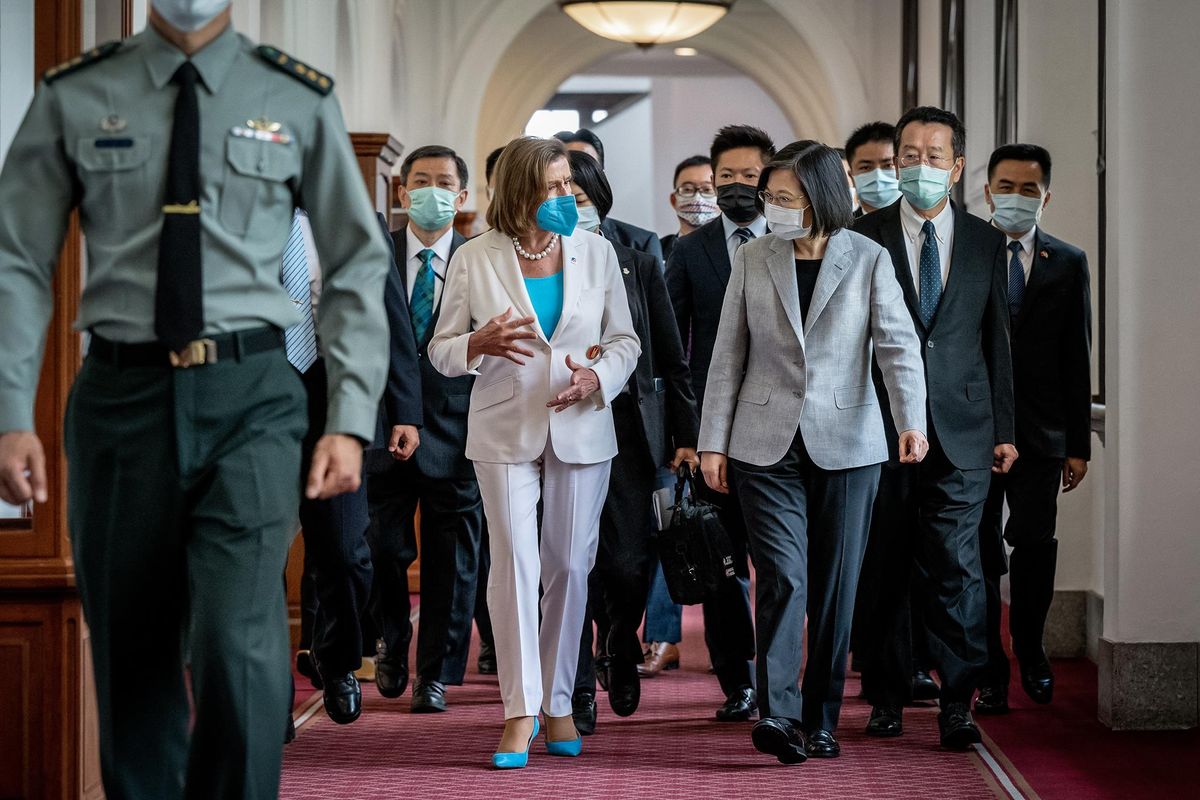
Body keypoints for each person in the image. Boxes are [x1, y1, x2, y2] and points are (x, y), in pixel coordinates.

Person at [0, 4, 391, 797]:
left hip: (252, 393)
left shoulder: (294, 96)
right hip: (121, 398)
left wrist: (350, 417)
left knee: (236, 641)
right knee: (133, 647)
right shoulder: (77, 91)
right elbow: (16, 257)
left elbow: (353, 265)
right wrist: (10, 414)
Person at [699, 144, 928, 763]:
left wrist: (912, 420)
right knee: (783, 576)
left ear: (820, 198)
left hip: (850, 443)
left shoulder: (868, 258)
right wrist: (711, 443)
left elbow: (898, 346)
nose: (771, 208)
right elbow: (727, 355)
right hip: (763, 443)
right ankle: (779, 714)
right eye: (770, 198)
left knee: (834, 586)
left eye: (784, 199)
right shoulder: (755, 257)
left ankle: (821, 716)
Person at [427, 136, 639, 769]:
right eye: (551, 186)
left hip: (580, 422)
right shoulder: (474, 257)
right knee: (515, 562)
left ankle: (557, 703)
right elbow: (440, 350)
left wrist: (597, 379)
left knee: (570, 567)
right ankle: (519, 709)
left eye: (567, 184)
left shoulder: (597, 252)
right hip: (502, 427)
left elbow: (624, 341)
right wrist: (477, 343)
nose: (564, 196)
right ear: (519, 190)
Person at [852, 106, 1017, 750]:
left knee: (957, 563)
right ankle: (888, 694)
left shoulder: (984, 240)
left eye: (933, 155)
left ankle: (957, 698)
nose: (919, 166)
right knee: (885, 563)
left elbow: (994, 340)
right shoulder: (863, 236)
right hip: (882, 424)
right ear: (896, 163)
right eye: (908, 155)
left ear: (955, 167)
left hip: (964, 426)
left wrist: (1003, 426)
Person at [566, 150, 700, 733]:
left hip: (626, 431)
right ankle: (573, 688)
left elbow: (670, 356)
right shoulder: (524, 264)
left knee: (626, 561)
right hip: (557, 427)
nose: (571, 208)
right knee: (568, 562)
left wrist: (685, 436)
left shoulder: (636, 262)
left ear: (601, 201)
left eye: (581, 198)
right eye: (559, 198)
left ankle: (620, 643)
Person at [290, 208, 423, 728]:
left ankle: (339, 657)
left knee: (345, 552)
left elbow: (389, 319)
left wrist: (405, 410)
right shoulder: (242, 205)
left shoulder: (355, 217)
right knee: (257, 555)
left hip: (336, 395)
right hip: (259, 395)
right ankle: (269, 696)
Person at [367, 145, 486, 713]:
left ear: (462, 198)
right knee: (382, 547)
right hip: (382, 426)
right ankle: (392, 637)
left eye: (444, 183)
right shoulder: (374, 254)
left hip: (459, 429)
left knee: (453, 560)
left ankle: (436, 672)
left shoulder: (481, 259)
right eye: (421, 181)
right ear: (401, 190)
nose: (431, 191)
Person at [974, 143, 1092, 715]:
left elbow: (1077, 355)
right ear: (986, 189)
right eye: (1005, 186)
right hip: (972, 430)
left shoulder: (1067, 261)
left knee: (1034, 544)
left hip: (1043, 432)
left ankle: (1031, 648)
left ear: (1046, 195)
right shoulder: (965, 253)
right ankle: (988, 668)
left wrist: (1075, 443)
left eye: (1028, 189)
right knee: (977, 550)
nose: (1015, 197)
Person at [666, 123, 775, 722]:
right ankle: (739, 681)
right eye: (726, 176)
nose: (737, 186)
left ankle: (783, 679)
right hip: (717, 435)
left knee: (781, 564)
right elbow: (672, 348)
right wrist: (686, 435)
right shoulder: (693, 249)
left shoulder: (794, 242)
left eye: (749, 176)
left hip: (785, 433)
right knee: (724, 563)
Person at [554, 128, 665, 265]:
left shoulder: (639, 243)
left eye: (588, 163)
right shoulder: (540, 249)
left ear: (601, 177)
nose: (578, 170)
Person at [660, 155, 718, 263]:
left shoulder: (737, 249)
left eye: (707, 189)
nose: (697, 199)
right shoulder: (656, 250)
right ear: (674, 200)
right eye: (687, 189)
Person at [845, 121, 901, 215]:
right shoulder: (842, 229)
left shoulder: (926, 225)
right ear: (852, 177)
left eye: (888, 165)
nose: (878, 176)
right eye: (866, 167)